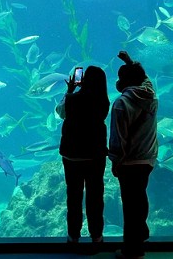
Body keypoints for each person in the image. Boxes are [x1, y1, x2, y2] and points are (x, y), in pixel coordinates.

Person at [109, 50, 158, 259]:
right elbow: (145, 78)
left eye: (121, 77)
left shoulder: (121, 103)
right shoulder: (151, 96)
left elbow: (118, 139)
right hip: (148, 159)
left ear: (125, 81)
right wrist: (130, 62)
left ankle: (133, 248)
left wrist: (115, 161)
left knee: (130, 205)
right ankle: (141, 233)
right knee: (140, 198)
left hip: (129, 162)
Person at [55, 65, 109, 244]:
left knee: (74, 196)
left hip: (72, 156)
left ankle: (73, 236)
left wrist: (69, 90)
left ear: (83, 80)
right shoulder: (103, 102)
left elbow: (60, 113)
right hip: (95, 156)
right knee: (95, 196)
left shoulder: (71, 99)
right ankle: (97, 236)